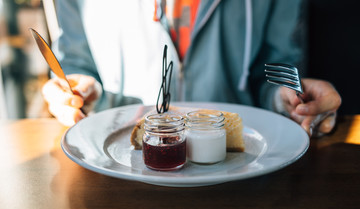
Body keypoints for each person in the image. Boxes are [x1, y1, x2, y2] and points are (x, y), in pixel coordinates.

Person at [42, 0, 341, 136]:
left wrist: (287, 100)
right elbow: (76, 66)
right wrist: (77, 89)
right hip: (117, 162)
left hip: (239, 175)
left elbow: (276, 70)